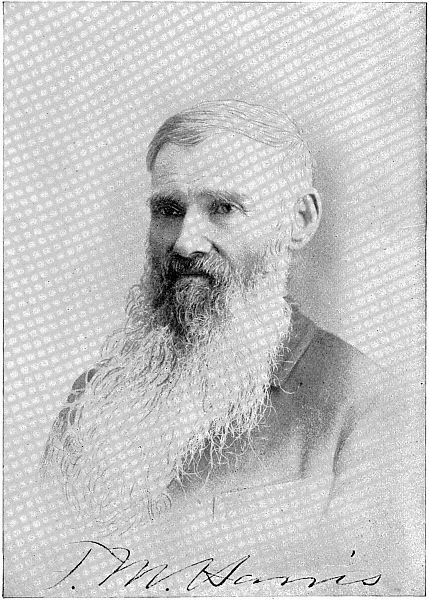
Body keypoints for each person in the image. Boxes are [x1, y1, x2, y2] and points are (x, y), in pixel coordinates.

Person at [41, 101, 421, 594]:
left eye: (222, 208)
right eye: (169, 210)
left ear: (299, 220)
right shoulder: (93, 400)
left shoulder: (365, 405)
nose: (185, 242)